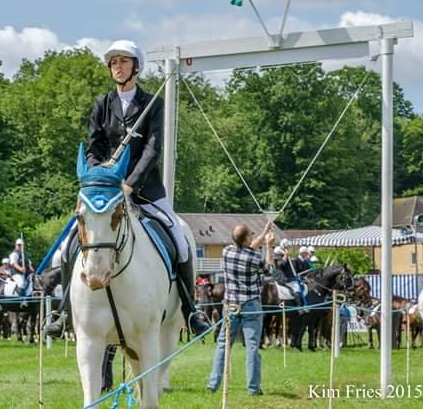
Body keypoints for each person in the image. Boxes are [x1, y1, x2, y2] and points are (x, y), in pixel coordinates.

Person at [44, 40, 209, 336]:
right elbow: (94, 147)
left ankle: (190, 309)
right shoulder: (101, 104)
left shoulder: (152, 104)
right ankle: (63, 312)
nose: (117, 67)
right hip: (106, 193)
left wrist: (130, 184)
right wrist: (102, 174)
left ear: (136, 66)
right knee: (68, 247)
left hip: (145, 191)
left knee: (180, 242)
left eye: (123, 61)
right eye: (113, 63)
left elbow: (152, 149)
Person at [208, 222, 275, 397]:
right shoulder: (254, 258)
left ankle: (213, 384)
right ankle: (253, 388)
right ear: (246, 238)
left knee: (223, 345)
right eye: (251, 235)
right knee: (252, 347)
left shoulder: (227, 252)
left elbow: (247, 249)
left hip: (230, 305)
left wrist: (263, 233)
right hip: (251, 305)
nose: (253, 237)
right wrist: (269, 245)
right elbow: (271, 271)